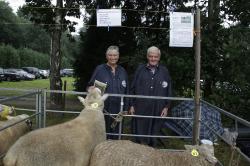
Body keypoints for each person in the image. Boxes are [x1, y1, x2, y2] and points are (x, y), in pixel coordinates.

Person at [129, 46, 172, 146]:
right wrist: (131, 104)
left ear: (159, 57)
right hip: (141, 108)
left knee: (154, 131)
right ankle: (139, 150)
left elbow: (169, 90)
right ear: (147, 57)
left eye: (155, 57)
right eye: (151, 56)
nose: (153, 59)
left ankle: (152, 151)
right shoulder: (140, 70)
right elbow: (132, 88)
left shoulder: (164, 71)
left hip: (158, 109)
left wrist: (166, 107)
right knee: (139, 131)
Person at [88, 45, 129, 139]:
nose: (112, 57)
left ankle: (115, 151)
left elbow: (127, 90)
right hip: (103, 107)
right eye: (110, 55)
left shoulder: (123, 71)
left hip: (119, 108)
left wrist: (126, 107)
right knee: (102, 132)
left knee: (117, 133)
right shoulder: (99, 69)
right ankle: (101, 151)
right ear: (106, 56)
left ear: (118, 56)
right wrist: (91, 89)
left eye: (115, 55)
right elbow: (89, 85)